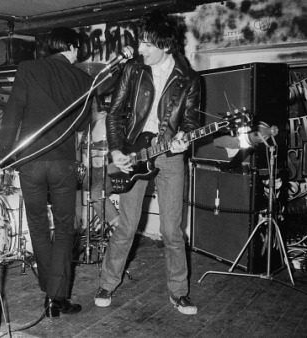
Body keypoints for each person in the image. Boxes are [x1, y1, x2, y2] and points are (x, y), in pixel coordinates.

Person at [93, 11, 200, 315]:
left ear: (165, 46)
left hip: (170, 156)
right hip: (133, 154)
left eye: (147, 45)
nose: (140, 49)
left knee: (172, 230)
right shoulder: (133, 70)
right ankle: (107, 282)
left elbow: (191, 122)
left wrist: (185, 137)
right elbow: (114, 114)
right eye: (140, 42)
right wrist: (116, 151)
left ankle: (179, 292)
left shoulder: (189, 78)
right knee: (126, 225)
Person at [0, 27, 93, 318]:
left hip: (31, 161)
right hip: (63, 162)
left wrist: (5, 159)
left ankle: (49, 287)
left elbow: (12, 114)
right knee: (65, 229)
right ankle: (56, 297)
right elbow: (80, 125)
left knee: (37, 225)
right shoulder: (84, 78)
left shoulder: (28, 68)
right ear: (73, 47)